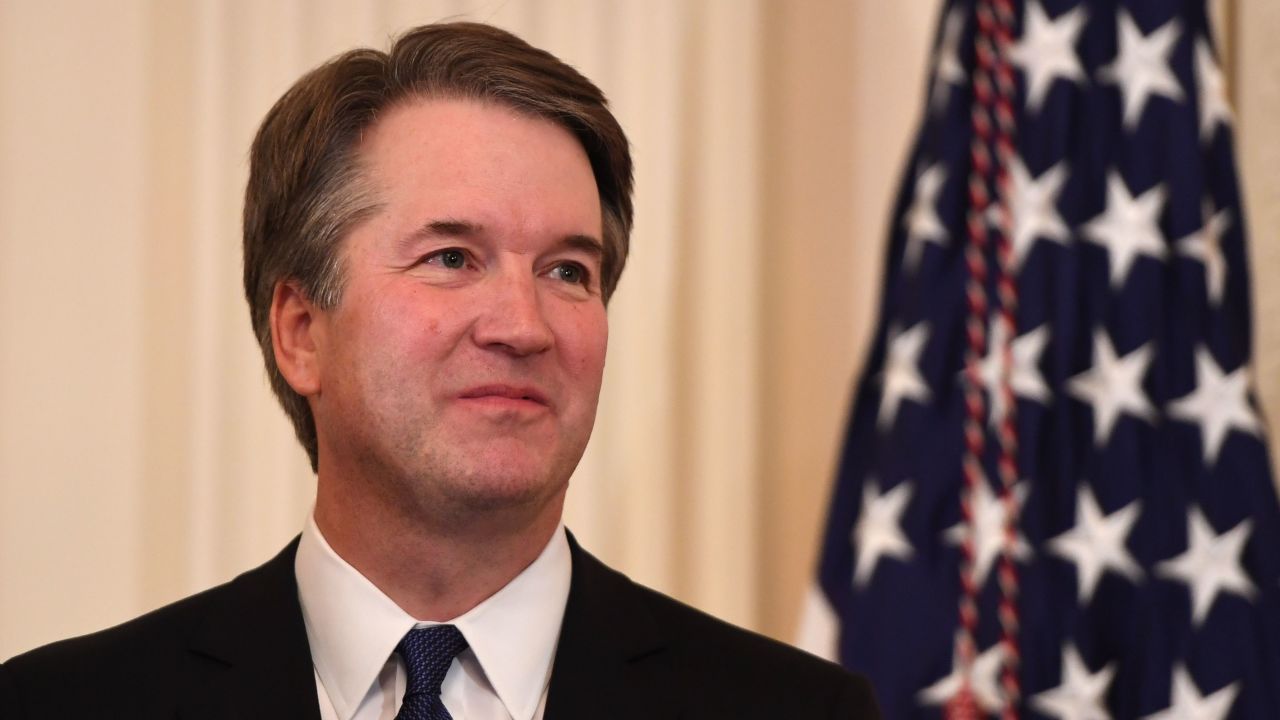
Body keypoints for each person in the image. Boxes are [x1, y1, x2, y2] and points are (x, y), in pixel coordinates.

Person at [0, 22, 878, 719]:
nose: (523, 326)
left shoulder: (797, 709)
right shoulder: (61, 705)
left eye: (569, 271)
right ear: (301, 331)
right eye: (454, 257)